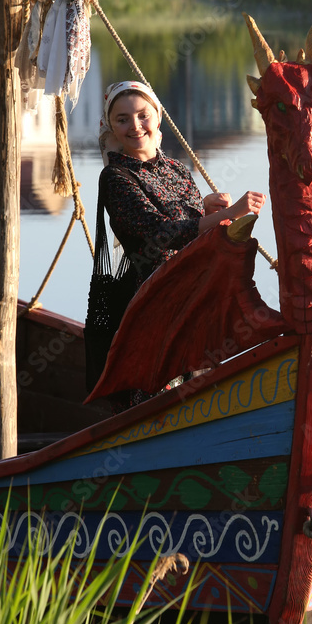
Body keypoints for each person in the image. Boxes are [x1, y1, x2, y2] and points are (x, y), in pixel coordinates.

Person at [88, 80, 266, 406]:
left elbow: (196, 228)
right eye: (122, 119)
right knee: (161, 394)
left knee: (200, 383)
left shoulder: (176, 169)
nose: (135, 126)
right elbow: (162, 234)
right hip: (156, 297)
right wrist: (233, 211)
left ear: (157, 117)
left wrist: (210, 209)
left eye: (143, 115)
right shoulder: (116, 178)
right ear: (111, 126)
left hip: (197, 293)